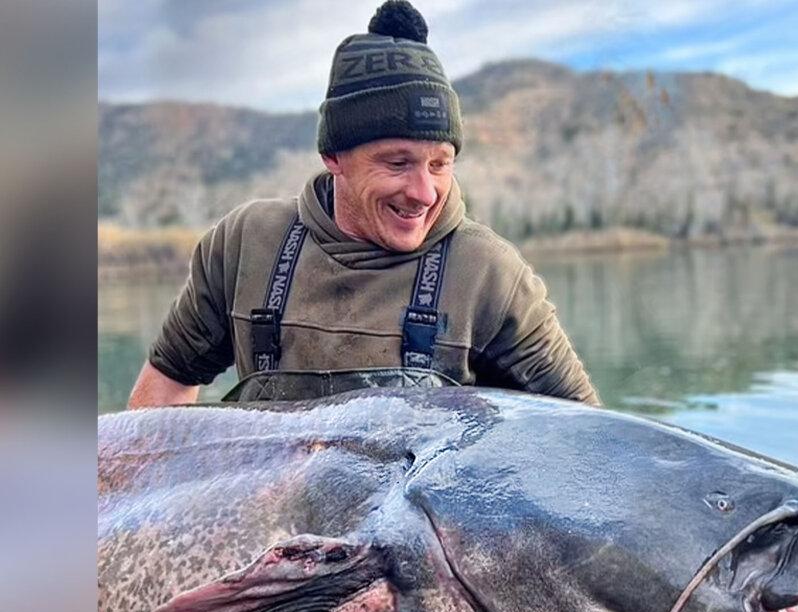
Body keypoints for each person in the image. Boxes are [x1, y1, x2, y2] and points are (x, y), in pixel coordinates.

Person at [127, 0, 599, 409]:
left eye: (440, 164)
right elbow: (164, 389)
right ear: (333, 156)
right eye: (397, 163)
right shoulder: (244, 244)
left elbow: (587, 441)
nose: (424, 192)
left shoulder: (489, 273)